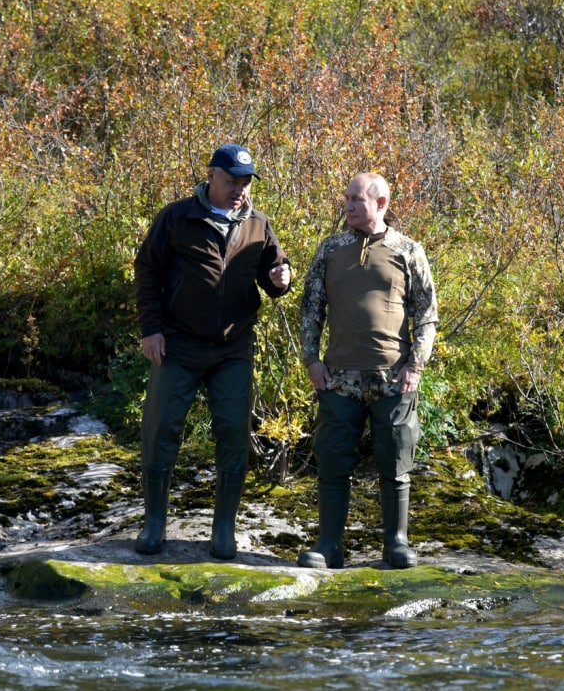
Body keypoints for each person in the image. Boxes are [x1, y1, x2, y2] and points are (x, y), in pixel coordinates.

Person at [132, 143, 293, 560]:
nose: (240, 189)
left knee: (233, 436)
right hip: (178, 344)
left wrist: (281, 278)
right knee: (160, 431)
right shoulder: (177, 216)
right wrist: (151, 330)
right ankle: (154, 524)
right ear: (211, 176)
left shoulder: (259, 224)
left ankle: (223, 529)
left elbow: (275, 278)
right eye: (232, 180)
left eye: (245, 182)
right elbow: (146, 269)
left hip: (233, 349)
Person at [297, 171, 438, 569]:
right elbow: (310, 309)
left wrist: (416, 367)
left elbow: (426, 316)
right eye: (346, 198)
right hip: (338, 378)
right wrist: (311, 360)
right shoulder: (330, 249)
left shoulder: (408, 250)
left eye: (357, 199)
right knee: (332, 461)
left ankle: (396, 544)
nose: (348, 205)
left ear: (381, 204)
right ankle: (329, 546)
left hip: (393, 379)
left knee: (395, 463)